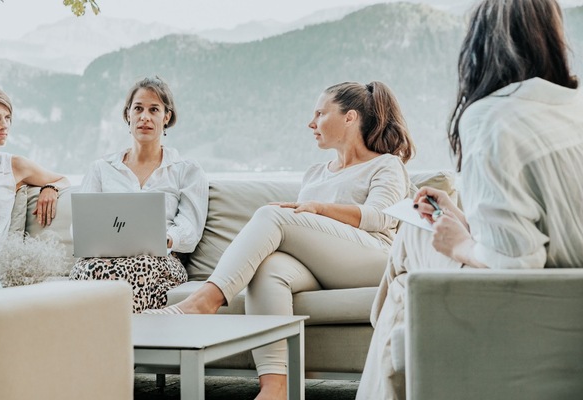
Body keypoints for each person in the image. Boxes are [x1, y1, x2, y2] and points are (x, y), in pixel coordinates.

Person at [355, 0, 583, 398]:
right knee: (410, 266)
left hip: (536, 299)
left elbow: (517, 263)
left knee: (411, 249)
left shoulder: (492, 118)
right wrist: (467, 220)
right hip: (566, 288)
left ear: (480, 46)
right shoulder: (573, 107)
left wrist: (460, 243)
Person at [148, 81, 415, 400]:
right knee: (269, 268)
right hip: (324, 268)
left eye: (320, 113)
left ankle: (204, 301)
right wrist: (312, 213)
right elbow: (310, 240)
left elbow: (381, 217)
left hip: (372, 259)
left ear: (350, 118)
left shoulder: (386, 164)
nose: (311, 122)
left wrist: (318, 208)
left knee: (272, 214)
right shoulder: (316, 173)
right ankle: (275, 386)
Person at [69, 76, 209, 313]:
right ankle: (111, 342)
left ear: (166, 117)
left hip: (161, 261)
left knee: (133, 269)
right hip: (105, 260)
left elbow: (190, 230)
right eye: (138, 109)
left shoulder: (186, 169)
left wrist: (162, 238)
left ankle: (112, 343)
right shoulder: (101, 169)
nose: (145, 116)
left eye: (154, 109)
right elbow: (80, 228)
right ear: (128, 115)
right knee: (90, 269)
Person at [0, 84, 70, 249]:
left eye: (7, 117)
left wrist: (50, 188)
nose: (4, 125)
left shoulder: (14, 165)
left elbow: (62, 179)